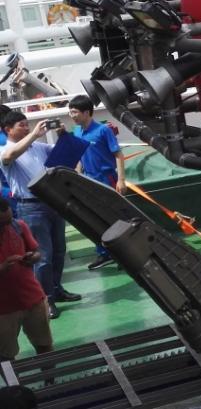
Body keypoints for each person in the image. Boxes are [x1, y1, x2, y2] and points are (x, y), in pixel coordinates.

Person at [1, 111, 79, 319]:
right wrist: (34, 134)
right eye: (22, 125)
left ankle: (56, 289)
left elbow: (64, 154)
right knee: (43, 256)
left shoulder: (38, 147)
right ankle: (46, 299)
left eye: (27, 124)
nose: (27, 128)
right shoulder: (5, 150)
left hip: (53, 203)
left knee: (59, 251)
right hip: (31, 207)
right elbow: (9, 157)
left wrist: (63, 135)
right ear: (8, 129)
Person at [68, 95, 124, 270]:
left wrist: (121, 180)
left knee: (114, 217)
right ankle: (104, 253)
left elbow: (118, 155)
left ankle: (124, 255)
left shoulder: (103, 130)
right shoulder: (77, 131)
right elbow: (79, 156)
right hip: (88, 180)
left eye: (74, 112)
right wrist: (78, 176)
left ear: (86, 112)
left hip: (106, 179)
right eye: (70, 112)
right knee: (94, 219)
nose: (72, 115)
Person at [0, 197, 54, 361]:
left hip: (33, 299)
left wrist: (33, 257)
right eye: (2, 224)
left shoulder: (19, 226)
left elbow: (37, 252)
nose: (7, 226)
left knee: (44, 345)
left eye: (9, 221)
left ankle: (49, 375)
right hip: (3, 309)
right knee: (6, 356)